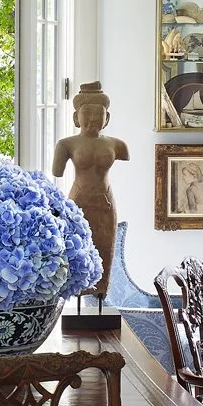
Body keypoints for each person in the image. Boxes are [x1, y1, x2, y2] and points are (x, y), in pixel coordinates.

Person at [51, 81, 127, 298]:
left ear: (107, 118)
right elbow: (57, 172)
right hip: (78, 201)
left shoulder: (117, 145)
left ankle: (102, 289)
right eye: (87, 113)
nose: (93, 118)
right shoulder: (66, 145)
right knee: (77, 247)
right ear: (77, 118)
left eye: (98, 113)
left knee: (105, 245)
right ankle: (76, 290)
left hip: (105, 202)